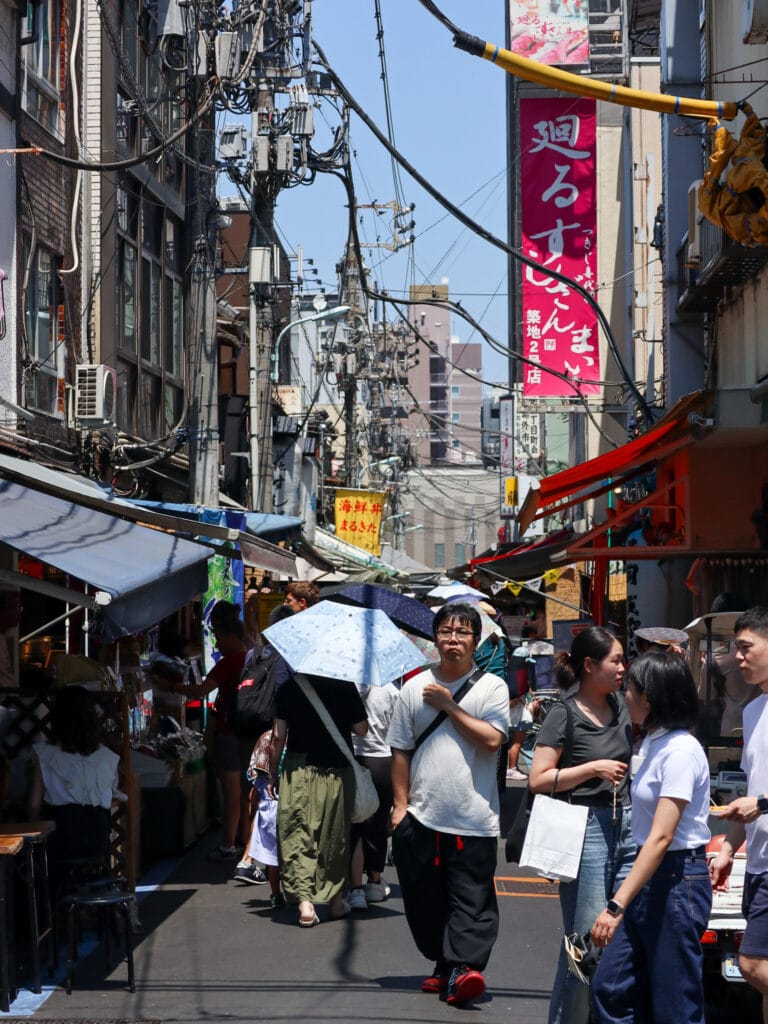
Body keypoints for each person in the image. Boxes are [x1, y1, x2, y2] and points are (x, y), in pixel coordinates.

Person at [386, 602, 510, 1007]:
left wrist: (450, 706)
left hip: (474, 817)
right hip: (422, 815)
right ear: (434, 638)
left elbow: (493, 740)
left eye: (463, 633)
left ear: (476, 641)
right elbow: (400, 751)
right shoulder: (412, 688)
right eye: (446, 632)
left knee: (470, 898)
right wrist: (400, 806)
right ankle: (444, 964)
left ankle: (463, 969)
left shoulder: (492, 687)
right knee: (424, 896)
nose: (453, 639)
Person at [590, 652, 712, 1024]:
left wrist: (615, 906)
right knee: (611, 986)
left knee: (675, 1004)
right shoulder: (653, 743)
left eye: (632, 687)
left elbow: (661, 837)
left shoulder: (680, 750)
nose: (625, 693)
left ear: (651, 697)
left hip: (676, 880)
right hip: (648, 875)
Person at [528, 626, 636, 1024]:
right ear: (589, 666)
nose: (624, 668)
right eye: (616, 660)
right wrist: (591, 768)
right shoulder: (564, 712)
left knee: (616, 933)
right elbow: (539, 779)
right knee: (587, 941)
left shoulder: (623, 706)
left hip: (624, 823)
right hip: (584, 827)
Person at [270, 670, 368, 927]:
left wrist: (272, 774)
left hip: (297, 769)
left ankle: (305, 904)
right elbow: (362, 729)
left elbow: (278, 737)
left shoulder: (288, 689)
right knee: (334, 836)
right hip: (337, 773)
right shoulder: (344, 687)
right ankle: (336, 902)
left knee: (296, 835)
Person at [709, 606, 768, 1020]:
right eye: (734, 648)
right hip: (759, 862)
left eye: (746, 648)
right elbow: (753, 791)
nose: (737, 658)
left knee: (752, 965)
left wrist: (761, 805)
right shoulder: (752, 711)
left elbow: (759, 800)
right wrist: (731, 846)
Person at [155, 617, 250, 860]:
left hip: (229, 732)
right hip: (247, 732)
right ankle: (246, 843)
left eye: (218, 637)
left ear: (231, 636)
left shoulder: (231, 661)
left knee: (231, 791)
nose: (216, 643)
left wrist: (170, 687)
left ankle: (229, 845)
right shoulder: (251, 657)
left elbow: (200, 691)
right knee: (243, 792)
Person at [27, 686, 122, 873]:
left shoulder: (45, 753)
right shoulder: (107, 756)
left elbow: (33, 805)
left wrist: (32, 823)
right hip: (98, 837)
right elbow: (109, 797)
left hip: (62, 834)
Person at [347, 680, 399, 910]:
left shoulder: (349, 687)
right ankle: (374, 883)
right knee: (377, 823)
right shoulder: (392, 690)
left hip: (352, 757)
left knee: (354, 825)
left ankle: (355, 888)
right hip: (383, 760)